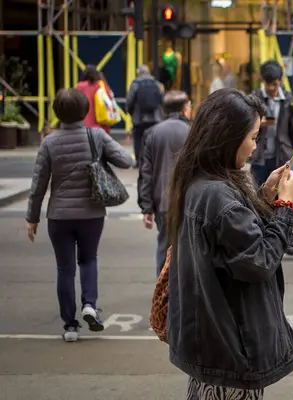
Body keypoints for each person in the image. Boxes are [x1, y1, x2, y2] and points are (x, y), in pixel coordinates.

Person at [165, 88, 293, 399]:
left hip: (212, 342)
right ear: (229, 137)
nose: (256, 147)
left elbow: (232, 240)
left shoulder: (200, 179)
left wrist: (265, 199)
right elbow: (258, 261)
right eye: (254, 137)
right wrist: (287, 206)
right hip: (229, 345)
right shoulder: (218, 193)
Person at [25, 88, 134, 342]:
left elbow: (38, 184)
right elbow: (127, 160)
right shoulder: (95, 135)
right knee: (88, 260)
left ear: (57, 113)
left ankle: (70, 326)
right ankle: (90, 305)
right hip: (91, 214)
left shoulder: (49, 142)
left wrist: (32, 218)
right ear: (86, 110)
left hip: (59, 216)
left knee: (65, 269)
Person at [138, 90, 191, 277]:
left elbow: (146, 172)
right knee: (187, 247)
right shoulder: (193, 132)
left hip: (162, 201)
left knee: (164, 246)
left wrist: (146, 207)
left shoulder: (152, 133)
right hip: (188, 199)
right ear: (185, 108)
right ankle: (182, 290)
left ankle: (162, 292)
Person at [249, 60, 293, 187]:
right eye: (268, 84)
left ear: (280, 80)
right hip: (259, 157)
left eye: (274, 84)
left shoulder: (289, 101)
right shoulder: (254, 98)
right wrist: (256, 124)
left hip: (282, 157)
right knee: (257, 196)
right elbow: (243, 126)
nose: (271, 88)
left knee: (280, 197)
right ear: (262, 80)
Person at [126, 65, 164, 167]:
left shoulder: (135, 84)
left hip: (139, 118)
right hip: (155, 118)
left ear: (138, 73)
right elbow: (162, 99)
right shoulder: (156, 83)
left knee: (138, 139)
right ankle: (153, 160)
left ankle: (139, 161)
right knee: (153, 139)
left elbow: (129, 101)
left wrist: (131, 113)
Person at [76, 65, 114, 134]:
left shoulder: (79, 86)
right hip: (99, 124)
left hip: (82, 124)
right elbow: (110, 96)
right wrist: (103, 79)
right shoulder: (99, 85)